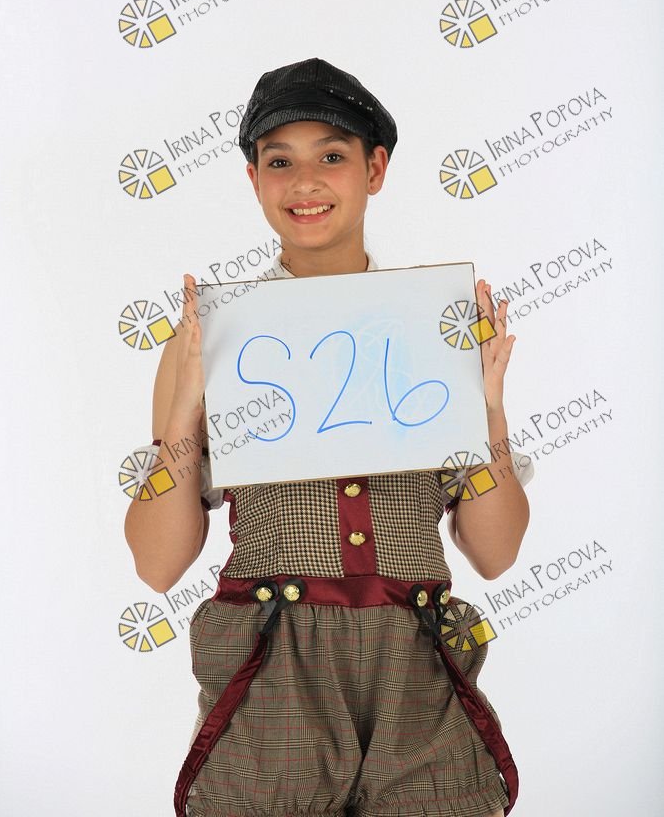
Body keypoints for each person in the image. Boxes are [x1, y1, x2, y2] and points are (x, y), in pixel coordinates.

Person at [125, 57, 532, 817]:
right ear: (254, 180)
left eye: (332, 156)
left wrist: (488, 415)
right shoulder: (208, 339)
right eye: (279, 161)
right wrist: (183, 411)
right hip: (272, 664)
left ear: (374, 169)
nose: (304, 183)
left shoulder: (436, 329)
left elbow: (495, 552)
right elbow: (157, 563)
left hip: (415, 662)